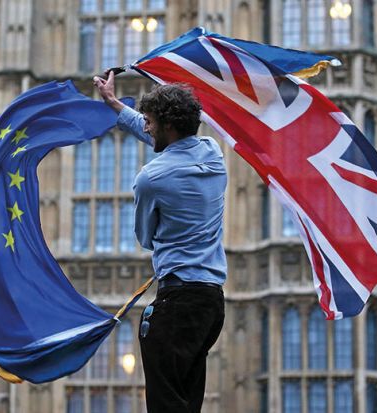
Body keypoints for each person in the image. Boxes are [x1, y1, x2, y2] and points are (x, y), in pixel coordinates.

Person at [93, 71, 227, 413]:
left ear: (167, 126)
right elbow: (164, 139)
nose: (146, 127)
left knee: (166, 404)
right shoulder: (214, 154)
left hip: (177, 301)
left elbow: (144, 237)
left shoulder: (150, 179)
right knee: (187, 400)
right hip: (211, 303)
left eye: (150, 122)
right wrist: (115, 105)